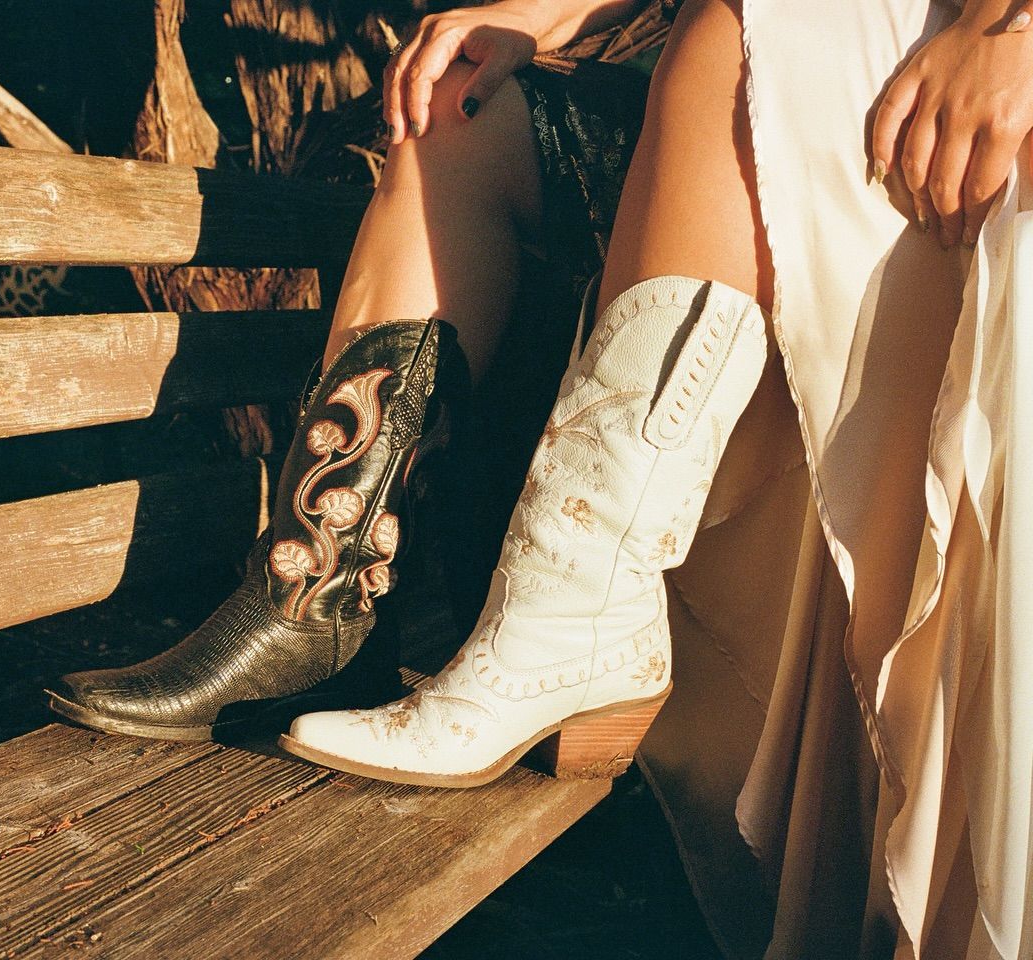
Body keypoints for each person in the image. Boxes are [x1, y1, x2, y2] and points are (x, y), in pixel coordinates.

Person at [54, 0, 1033, 954]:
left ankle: (572, 614)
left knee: (738, 33)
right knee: (459, 111)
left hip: (926, 73)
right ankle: (314, 592)